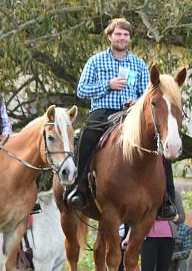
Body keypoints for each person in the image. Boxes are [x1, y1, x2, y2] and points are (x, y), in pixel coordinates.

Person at [66, 18, 177, 219]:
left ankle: (167, 199)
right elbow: (81, 90)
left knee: (160, 144)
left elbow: (148, 93)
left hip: (131, 115)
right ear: (109, 36)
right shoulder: (96, 61)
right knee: (86, 136)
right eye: (118, 34)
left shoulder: (139, 64)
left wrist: (137, 102)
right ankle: (79, 187)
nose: (122, 38)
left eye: (126, 35)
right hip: (103, 112)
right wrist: (108, 85)